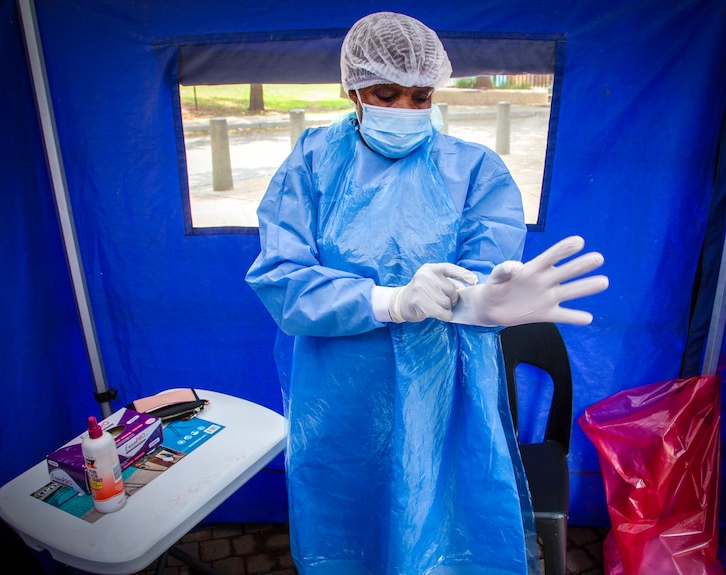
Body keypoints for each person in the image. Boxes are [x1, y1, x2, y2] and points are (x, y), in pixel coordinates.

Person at [246, 11, 608, 575]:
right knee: (351, 527)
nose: (407, 110)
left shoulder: (474, 170)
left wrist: (479, 301)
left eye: (420, 96)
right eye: (386, 94)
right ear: (352, 90)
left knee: (447, 521)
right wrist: (389, 301)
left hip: (446, 386)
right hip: (342, 392)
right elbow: (281, 278)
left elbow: (485, 266)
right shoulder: (312, 165)